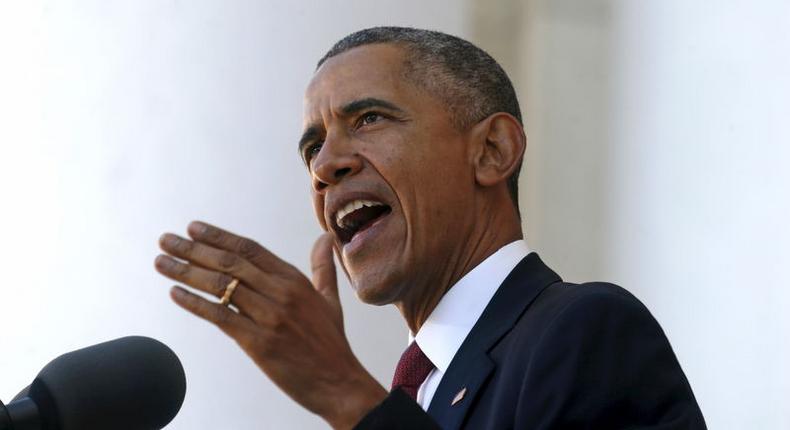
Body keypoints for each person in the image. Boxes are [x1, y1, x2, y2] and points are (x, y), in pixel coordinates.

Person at [155, 27, 706, 429]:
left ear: (492, 150)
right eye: (312, 148)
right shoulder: (414, 395)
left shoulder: (584, 332)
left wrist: (342, 392)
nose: (325, 167)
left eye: (369, 118)